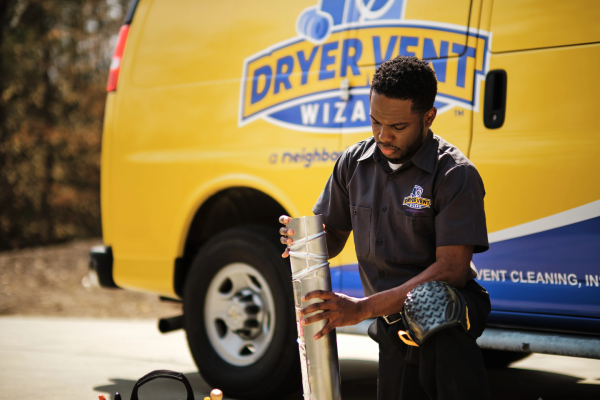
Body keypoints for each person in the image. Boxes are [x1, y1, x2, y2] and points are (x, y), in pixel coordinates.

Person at [279, 55, 491, 400]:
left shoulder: (455, 174)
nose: (383, 135)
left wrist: (361, 309)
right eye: (375, 121)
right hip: (391, 325)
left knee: (429, 301)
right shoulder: (353, 162)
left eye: (397, 127)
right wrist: (303, 239)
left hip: (446, 321)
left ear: (428, 117)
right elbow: (330, 237)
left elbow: (451, 270)